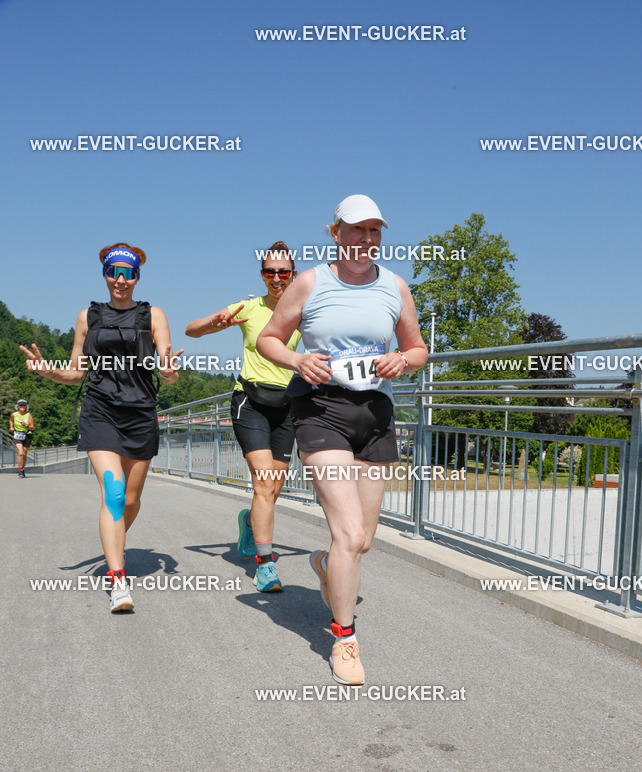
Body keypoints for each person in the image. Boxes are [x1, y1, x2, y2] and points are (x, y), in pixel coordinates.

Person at [257, 195, 428, 684]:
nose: (367, 239)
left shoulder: (395, 286)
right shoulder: (311, 282)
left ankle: (324, 564)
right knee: (349, 534)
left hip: (374, 412)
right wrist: (296, 361)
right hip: (320, 408)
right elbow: (270, 338)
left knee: (363, 542)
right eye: (357, 230)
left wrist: (404, 360)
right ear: (335, 233)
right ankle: (345, 640)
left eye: (375, 231)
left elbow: (418, 348)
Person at [20, 243, 182, 612]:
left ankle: (115, 541)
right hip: (100, 411)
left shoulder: (152, 315)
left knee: (130, 500)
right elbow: (76, 371)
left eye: (129, 273)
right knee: (114, 493)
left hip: (141, 413)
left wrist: (170, 374)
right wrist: (49, 371)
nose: (121, 280)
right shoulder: (88, 317)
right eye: (115, 272)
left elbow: (167, 370)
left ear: (137, 277)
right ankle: (117, 580)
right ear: (106, 274)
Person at [185, 243, 300, 593]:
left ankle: (249, 522)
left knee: (273, 487)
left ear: (293, 275)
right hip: (249, 400)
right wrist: (214, 323)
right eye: (270, 272)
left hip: (288, 405)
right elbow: (192, 330)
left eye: (283, 272)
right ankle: (265, 566)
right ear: (262, 275)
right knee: (264, 482)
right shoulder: (248, 306)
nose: (277, 278)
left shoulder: (304, 311)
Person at [9, 399, 34, 477]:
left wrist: (25, 425)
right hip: (17, 435)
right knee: (21, 452)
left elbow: (32, 427)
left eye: (24, 405)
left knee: (24, 454)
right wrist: (11, 427)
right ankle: (20, 470)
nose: (22, 407)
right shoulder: (14, 414)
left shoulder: (28, 415)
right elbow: (11, 420)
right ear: (18, 406)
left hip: (27, 435)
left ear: (26, 407)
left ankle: (22, 468)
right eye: (21, 405)